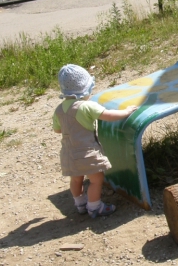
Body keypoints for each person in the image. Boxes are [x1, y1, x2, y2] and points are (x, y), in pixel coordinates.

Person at [53, 64, 137, 218]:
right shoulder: (87, 106)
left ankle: (80, 204)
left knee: (76, 179)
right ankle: (95, 207)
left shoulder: (59, 109)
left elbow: (57, 130)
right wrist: (126, 112)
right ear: (85, 89)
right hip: (86, 153)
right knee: (96, 179)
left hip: (68, 154)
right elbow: (108, 116)